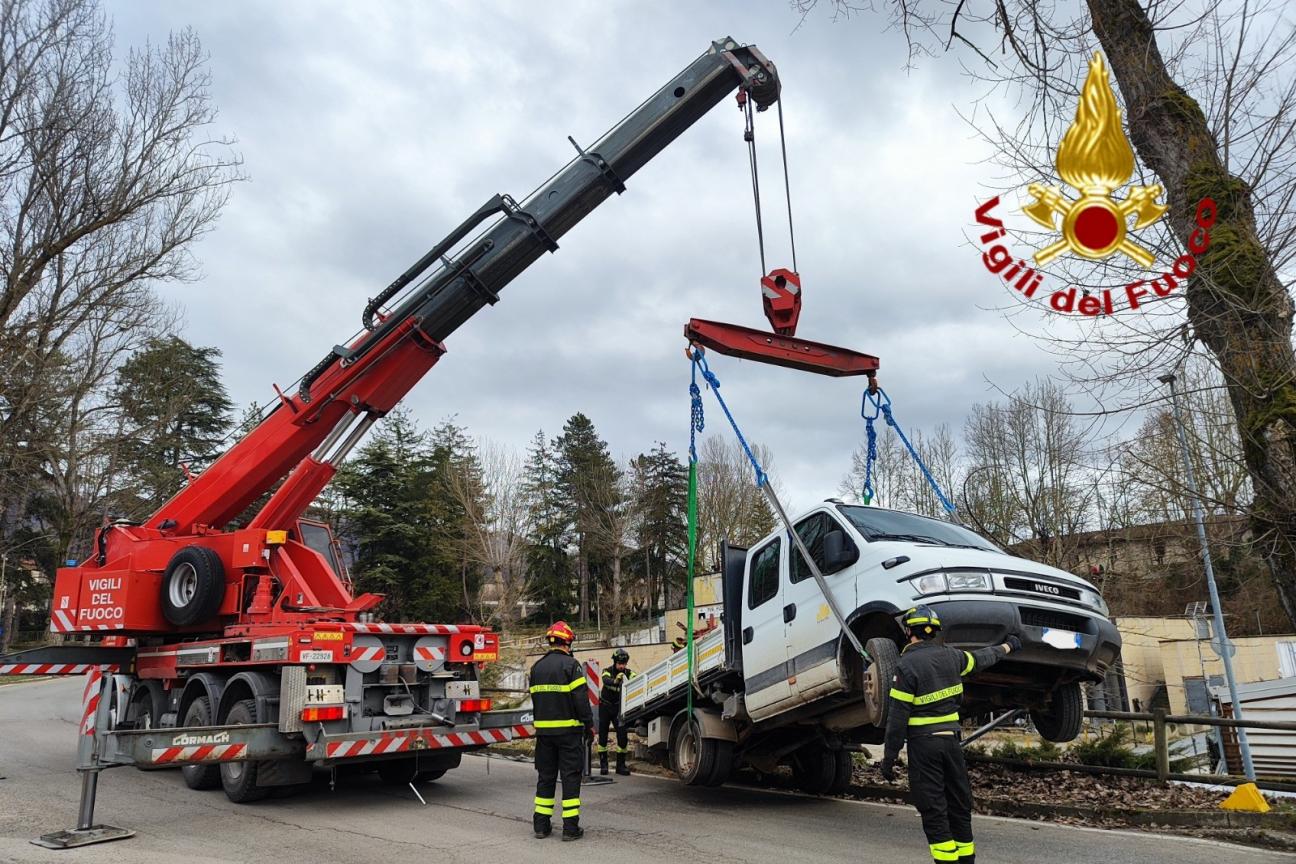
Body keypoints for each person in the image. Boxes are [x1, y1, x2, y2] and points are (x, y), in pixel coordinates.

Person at [879, 606, 1022, 864]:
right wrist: (1009, 646)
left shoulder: (906, 666)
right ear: (934, 631)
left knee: (933, 809)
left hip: (924, 747)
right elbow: (983, 658)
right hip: (951, 745)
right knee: (959, 806)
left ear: (909, 631)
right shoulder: (953, 657)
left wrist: (889, 759)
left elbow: (897, 717)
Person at [529, 620, 593, 841]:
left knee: (545, 778)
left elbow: (536, 700)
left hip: (544, 735)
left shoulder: (536, 667)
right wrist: (588, 725)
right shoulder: (571, 665)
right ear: (567, 641)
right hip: (568, 734)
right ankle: (570, 829)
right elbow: (581, 700)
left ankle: (541, 826)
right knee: (570, 778)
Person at [597, 648, 634, 775]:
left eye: (624, 664)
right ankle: (603, 764)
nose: (622, 666)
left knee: (622, 736)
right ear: (614, 662)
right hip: (605, 707)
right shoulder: (607, 671)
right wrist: (616, 681)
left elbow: (635, 679)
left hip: (619, 708)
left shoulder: (628, 673)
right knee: (603, 736)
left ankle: (621, 765)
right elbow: (605, 680)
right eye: (619, 663)